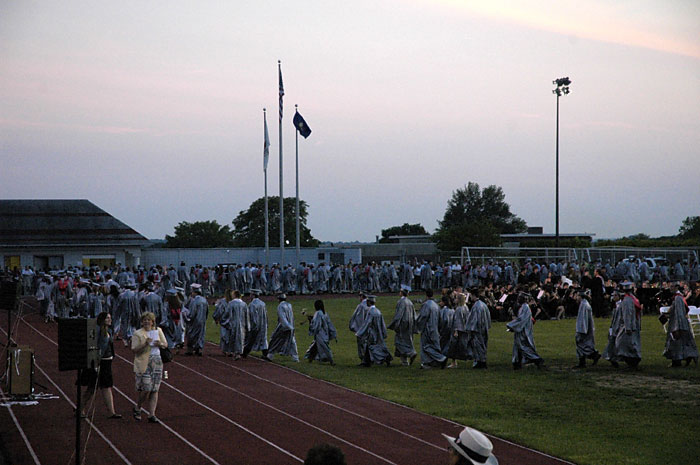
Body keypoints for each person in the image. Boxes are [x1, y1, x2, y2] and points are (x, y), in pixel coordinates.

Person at [77, 312, 121, 419]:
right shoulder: (97, 330)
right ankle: (80, 409)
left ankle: (111, 412)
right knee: (92, 388)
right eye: (107, 318)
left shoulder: (109, 330)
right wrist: (95, 362)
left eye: (110, 318)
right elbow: (94, 345)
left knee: (106, 386)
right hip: (98, 362)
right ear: (102, 320)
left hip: (107, 361)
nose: (110, 320)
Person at [131, 311, 167, 423]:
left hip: (156, 361)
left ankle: (152, 414)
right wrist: (145, 343)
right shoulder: (138, 333)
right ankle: (138, 407)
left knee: (155, 388)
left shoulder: (158, 331)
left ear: (152, 322)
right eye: (144, 320)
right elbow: (134, 349)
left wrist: (159, 344)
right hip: (144, 361)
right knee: (146, 388)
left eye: (149, 320)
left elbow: (165, 344)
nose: (147, 322)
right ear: (141, 322)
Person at [663, 284, 699, 367]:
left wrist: (677, 326)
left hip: (678, 323)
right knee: (684, 341)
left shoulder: (678, 298)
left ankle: (677, 360)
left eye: (672, 287)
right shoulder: (678, 297)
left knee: (677, 342)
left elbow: (679, 313)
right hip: (678, 322)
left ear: (676, 287)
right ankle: (687, 358)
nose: (670, 288)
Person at [506, 292, 544, 370]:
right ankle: (517, 363)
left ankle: (537, 359)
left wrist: (511, 325)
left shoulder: (525, 308)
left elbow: (521, 320)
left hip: (523, 331)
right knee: (518, 347)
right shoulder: (523, 307)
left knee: (523, 347)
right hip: (521, 330)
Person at [355, 295, 392, 366]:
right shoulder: (378, 311)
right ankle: (366, 362)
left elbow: (367, 323)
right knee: (371, 347)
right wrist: (383, 332)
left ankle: (385, 358)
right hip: (378, 332)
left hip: (372, 333)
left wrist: (359, 333)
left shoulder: (370, 312)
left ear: (369, 302)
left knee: (373, 347)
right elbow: (382, 323)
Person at [415, 289, 447, 369]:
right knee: (433, 345)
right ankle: (428, 363)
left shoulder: (426, 305)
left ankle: (440, 358)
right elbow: (440, 318)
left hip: (428, 328)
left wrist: (418, 325)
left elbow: (423, 317)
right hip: (435, 328)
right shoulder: (436, 305)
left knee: (426, 346)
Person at [387, 287, 417, 366]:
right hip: (409, 324)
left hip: (402, 324)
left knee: (400, 342)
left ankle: (411, 353)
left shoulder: (401, 302)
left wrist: (394, 325)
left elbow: (399, 315)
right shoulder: (409, 302)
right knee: (407, 340)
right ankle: (404, 361)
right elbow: (414, 315)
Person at [614, 282, 642, 368]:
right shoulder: (633, 298)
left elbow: (627, 314)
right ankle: (632, 360)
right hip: (634, 323)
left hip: (628, 325)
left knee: (622, 343)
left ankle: (633, 360)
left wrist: (628, 327)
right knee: (631, 343)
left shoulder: (627, 300)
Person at [304, 299, 337, 365]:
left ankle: (331, 361)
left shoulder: (318, 313)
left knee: (324, 348)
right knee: (315, 346)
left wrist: (311, 322)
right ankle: (310, 359)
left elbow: (317, 325)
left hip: (320, 333)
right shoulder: (324, 313)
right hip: (325, 333)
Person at [574, 289, 601, 368]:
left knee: (583, 345)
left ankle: (592, 356)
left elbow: (583, 320)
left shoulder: (584, 305)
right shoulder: (584, 304)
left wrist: (581, 331)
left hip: (584, 329)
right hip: (586, 329)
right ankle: (584, 360)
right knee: (584, 345)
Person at [267, 294, 299, 362]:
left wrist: (285, 326)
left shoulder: (280, 306)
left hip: (283, 326)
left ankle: (270, 355)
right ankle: (295, 357)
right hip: (290, 325)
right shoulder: (289, 305)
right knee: (292, 341)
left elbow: (282, 317)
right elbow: (291, 316)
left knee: (274, 339)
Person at [242, 289, 269, 358]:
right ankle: (266, 354)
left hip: (256, 325)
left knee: (250, 339)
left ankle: (245, 353)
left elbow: (253, 316)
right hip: (263, 324)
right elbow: (266, 315)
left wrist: (252, 326)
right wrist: (266, 324)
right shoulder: (263, 303)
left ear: (253, 295)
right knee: (263, 339)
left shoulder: (252, 305)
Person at [184, 283, 208, 356]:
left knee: (192, 334)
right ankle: (199, 348)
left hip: (195, 321)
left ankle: (190, 349)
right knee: (201, 334)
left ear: (195, 292)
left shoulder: (194, 301)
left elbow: (192, 313)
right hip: (202, 320)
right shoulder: (204, 300)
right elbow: (207, 311)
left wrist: (187, 316)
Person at [348, 293, 369, 366]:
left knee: (362, 345)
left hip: (362, 328)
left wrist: (357, 329)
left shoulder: (361, 306)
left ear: (362, 297)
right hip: (368, 328)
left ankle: (364, 360)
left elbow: (359, 319)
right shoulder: (368, 305)